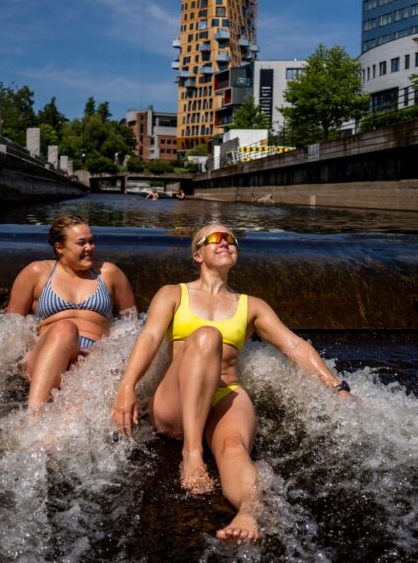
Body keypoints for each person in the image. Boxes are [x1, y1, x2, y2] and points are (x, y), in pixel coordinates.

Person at [111, 223, 354, 542]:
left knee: (234, 447)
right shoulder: (173, 293)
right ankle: (193, 453)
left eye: (230, 239)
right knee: (207, 337)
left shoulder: (251, 305)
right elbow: (150, 337)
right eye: (214, 239)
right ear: (197, 254)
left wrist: (336, 387)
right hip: (176, 400)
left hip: (225, 393)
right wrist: (127, 386)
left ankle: (250, 511)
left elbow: (294, 346)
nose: (225, 243)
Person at [7, 215, 136, 412]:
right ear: (59, 247)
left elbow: (132, 327)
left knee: (97, 361)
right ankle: (32, 419)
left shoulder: (110, 273)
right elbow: (10, 327)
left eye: (91, 241)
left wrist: (111, 352)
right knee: (66, 329)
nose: (89, 248)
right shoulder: (36, 272)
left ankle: (62, 434)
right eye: (81, 243)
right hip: (48, 357)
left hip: (94, 358)